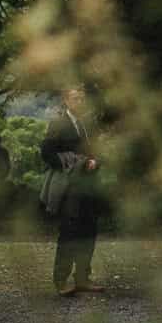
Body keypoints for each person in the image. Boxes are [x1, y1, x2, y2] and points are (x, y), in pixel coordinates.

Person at [40, 86, 106, 296]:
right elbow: (47, 153)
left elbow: (97, 150)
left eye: (82, 99)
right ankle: (61, 281)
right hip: (69, 188)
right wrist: (73, 163)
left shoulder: (88, 124)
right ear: (66, 101)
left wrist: (96, 161)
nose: (80, 102)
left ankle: (83, 278)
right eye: (76, 99)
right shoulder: (58, 124)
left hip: (89, 186)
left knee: (89, 231)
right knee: (69, 233)